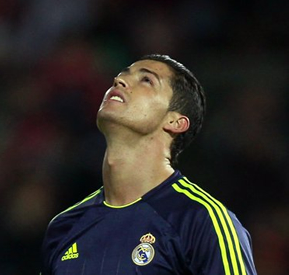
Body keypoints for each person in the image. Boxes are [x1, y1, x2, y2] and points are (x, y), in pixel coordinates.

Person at [40, 54, 257, 274]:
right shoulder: (64, 226)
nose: (119, 81)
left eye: (146, 80)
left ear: (175, 121)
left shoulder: (202, 220)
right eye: (121, 75)